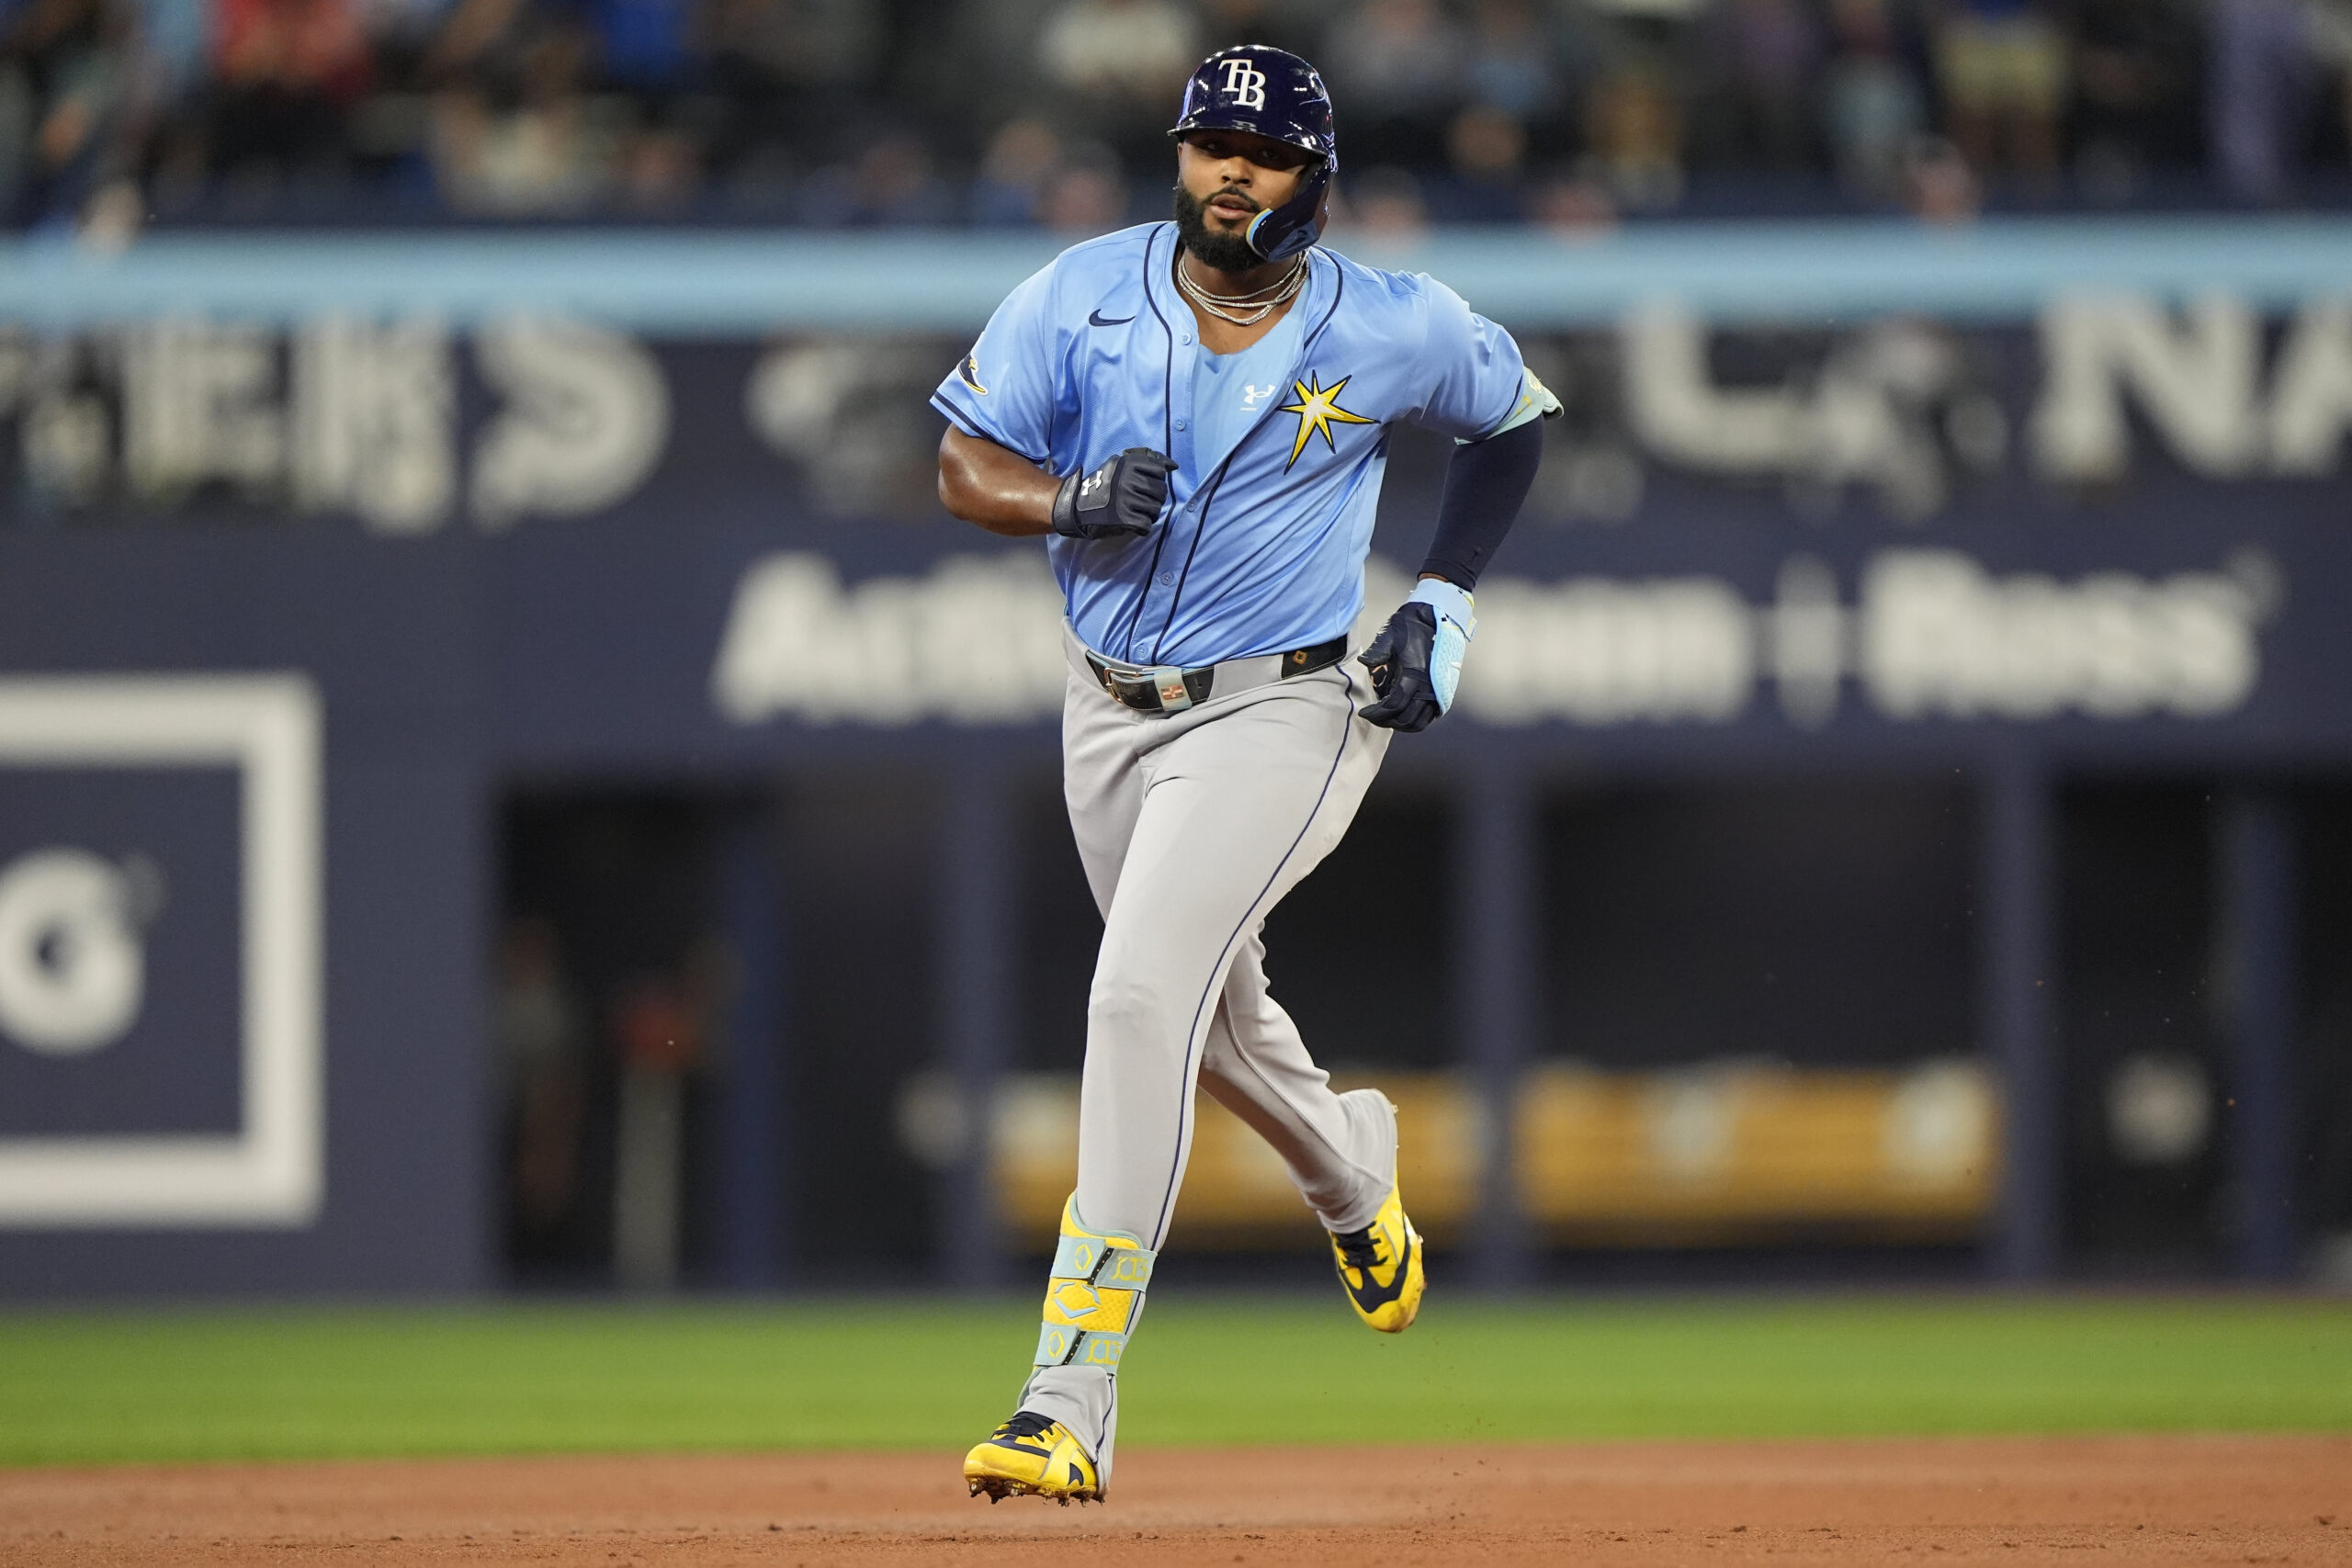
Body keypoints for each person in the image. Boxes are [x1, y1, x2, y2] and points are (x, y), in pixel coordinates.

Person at [931, 43, 1557, 1505]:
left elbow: (1517, 418)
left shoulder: (1388, 323)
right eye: (1208, 141)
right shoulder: (1083, 288)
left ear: (1312, 179)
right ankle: (1351, 1174)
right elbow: (964, 460)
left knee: (1139, 993)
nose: (1228, 169)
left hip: (1289, 705)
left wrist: (1447, 595)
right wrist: (1065, 500)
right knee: (1207, 1021)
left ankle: (1065, 1398)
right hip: (1108, 707)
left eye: (1261, 151)